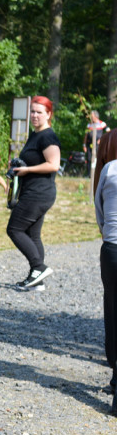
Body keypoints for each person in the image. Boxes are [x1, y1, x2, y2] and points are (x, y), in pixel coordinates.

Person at [7, 96, 61, 290]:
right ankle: (37, 280)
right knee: (33, 234)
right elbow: (32, 160)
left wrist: (27, 170)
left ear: (48, 114)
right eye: (33, 111)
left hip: (39, 193)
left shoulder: (47, 136)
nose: (35, 115)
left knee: (14, 229)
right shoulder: (35, 134)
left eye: (39, 112)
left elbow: (53, 164)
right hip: (35, 191)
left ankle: (39, 267)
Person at [96, 130, 117, 410]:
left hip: (112, 247)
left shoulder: (110, 169)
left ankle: (115, 372)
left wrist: (107, 233)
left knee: (112, 310)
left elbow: (98, 208)